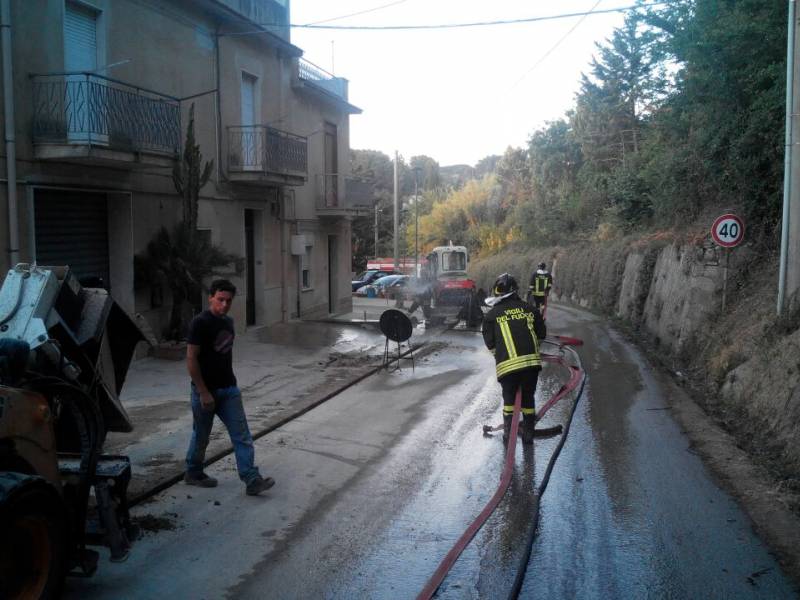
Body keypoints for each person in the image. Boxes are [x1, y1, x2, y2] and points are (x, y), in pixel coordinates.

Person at [184, 279, 275, 496]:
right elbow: (191, 359)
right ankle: (193, 472)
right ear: (211, 298)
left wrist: (231, 384)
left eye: (228, 301)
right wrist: (203, 392)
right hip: (205, 392)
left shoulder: (229, 322)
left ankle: (251, 479)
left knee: (242, 435)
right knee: (202, 435)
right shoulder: (200, 323)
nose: (224, 305)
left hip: (229, 391)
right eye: (220, 300)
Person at [482, 273, 546, 444]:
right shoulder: (530, 309)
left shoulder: (491, 316)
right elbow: (541, 335)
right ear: (516, 290)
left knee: (509, 399)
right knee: (528, 398)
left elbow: (490, 343)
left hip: (507, 368)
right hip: (531, 365)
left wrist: (501, 355)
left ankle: (508, 434)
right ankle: (528, 435)